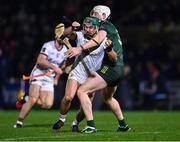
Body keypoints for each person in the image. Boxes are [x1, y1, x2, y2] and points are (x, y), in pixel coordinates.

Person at [65, 5, 131, 133]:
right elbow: (113, 55)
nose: (93, 15)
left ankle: (91, 125)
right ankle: (123, 125)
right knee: (108, 98)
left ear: (103, 16)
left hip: (110, 68)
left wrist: (79, 48)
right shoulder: (105, 27)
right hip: (117, 67)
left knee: (82, 91)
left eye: (96, 13)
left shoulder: (105, 26)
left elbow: (97, 40)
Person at [52, 16, 107, 132]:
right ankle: (62, 119)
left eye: (90, 27)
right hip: (78, 71)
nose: (87, 29)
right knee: (68, 97)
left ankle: (75, 123)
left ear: (96, 28)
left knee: (85, 107)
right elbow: (66, 34)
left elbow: (112, 57)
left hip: (92, 77)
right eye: (85, 27)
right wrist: (72, 27)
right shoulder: (80, 35)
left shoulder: (103, 39)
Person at [13, 23, 68, 128]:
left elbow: (62, 66)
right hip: (39, 73)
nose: (63, 38)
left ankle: (25, 97)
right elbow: (40, 61)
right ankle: (19, 122)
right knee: (33, 99)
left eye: (64, 36)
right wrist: (54, 67)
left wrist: (56, 77)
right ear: (56, 35)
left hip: (49, 77)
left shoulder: (65, 49)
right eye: (61, 35)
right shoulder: (48, 45)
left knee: (47, 104)